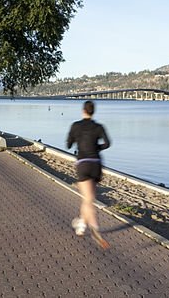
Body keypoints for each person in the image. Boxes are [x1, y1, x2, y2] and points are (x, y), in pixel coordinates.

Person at [67, 100, 111, 249]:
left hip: (83, 163)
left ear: (83, 111)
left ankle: (94, 228)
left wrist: (77, 140)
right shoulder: (99, 127)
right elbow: (107, 143)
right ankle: (81, 224)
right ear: (93, 111)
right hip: (96, 164)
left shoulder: (76, 126)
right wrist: (96, 147)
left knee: (88, 199)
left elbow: (68, 144)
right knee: (88, 198)